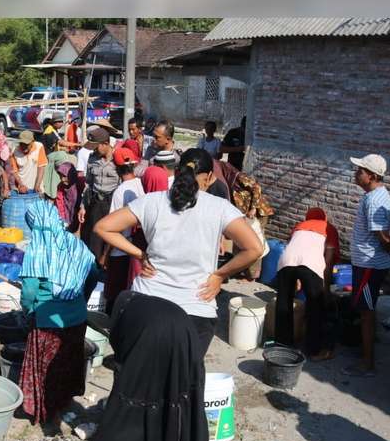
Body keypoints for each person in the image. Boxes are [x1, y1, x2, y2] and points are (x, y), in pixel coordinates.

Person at [94, 148, 263, 354]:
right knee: (182, 374)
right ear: (209, 177)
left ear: (177, 171)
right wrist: (220, 275)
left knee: (142, 370)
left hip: (145, 303)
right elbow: (254, 249)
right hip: (195, 309)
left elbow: (103, 227)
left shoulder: (151, 201)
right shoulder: (220, 208)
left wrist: (140, 254)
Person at [83, 291, 207, 441]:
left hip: (152, 334)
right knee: (176, 392)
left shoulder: (126, 314)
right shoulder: (136, 304)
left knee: (132, 403)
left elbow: (123, 356)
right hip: (185, 332)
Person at [18, 201, 97, 427]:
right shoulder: (77, 244)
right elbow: (92, 274)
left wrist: (28, 310)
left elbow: (29, 292)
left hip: (47, 322)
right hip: (77, 319)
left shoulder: (37, 250)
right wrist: (80, 299)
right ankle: (64, 403)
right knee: (67, 363)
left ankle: (45, 411)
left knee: (46, 369)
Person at [343, 153, 390, 377]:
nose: (356, 174)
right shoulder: (376, 195)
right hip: (367, 263)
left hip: (369, 265)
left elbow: (383, 237)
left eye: (360, 171)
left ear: (372, 176)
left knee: (366, 312)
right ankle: (365, 352)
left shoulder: (374, 200)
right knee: (365, 308)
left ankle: (367, 363)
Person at [275, 210, 333, 360]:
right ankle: (314, 350)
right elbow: (329, 260)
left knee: (284, 302)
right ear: (325, 218)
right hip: (311, 264)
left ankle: (282, 344)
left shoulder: (300, 225)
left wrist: (297, 279)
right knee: (315, 305)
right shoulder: (329, 228)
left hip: (286, 261)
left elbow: (295, 249)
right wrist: (326, 288)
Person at [102, 147, 144, 313]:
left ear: (116, 166)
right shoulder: (141, 184)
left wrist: (105, 254)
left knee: (114, 295)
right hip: (136, 248)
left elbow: (112, 228)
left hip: (119, 250)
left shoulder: (120, 191)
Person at [79, 126, 119, 262]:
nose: (94, 150)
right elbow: (88, 184)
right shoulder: (92, 159)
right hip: (95, 203)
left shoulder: (117, 160)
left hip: (112, 204)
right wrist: (83, 206)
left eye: (96, 147)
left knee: (109, 240)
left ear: (105, 144)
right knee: (93, 239)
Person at [55, 161, 84, 232]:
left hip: (80, 211)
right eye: (60, 176)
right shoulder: (61, 186)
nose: (62, 179)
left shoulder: (80, 183)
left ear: (71, 174)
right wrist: (62, 217)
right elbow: (60, 202)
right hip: (67, 212)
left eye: (64, 176)